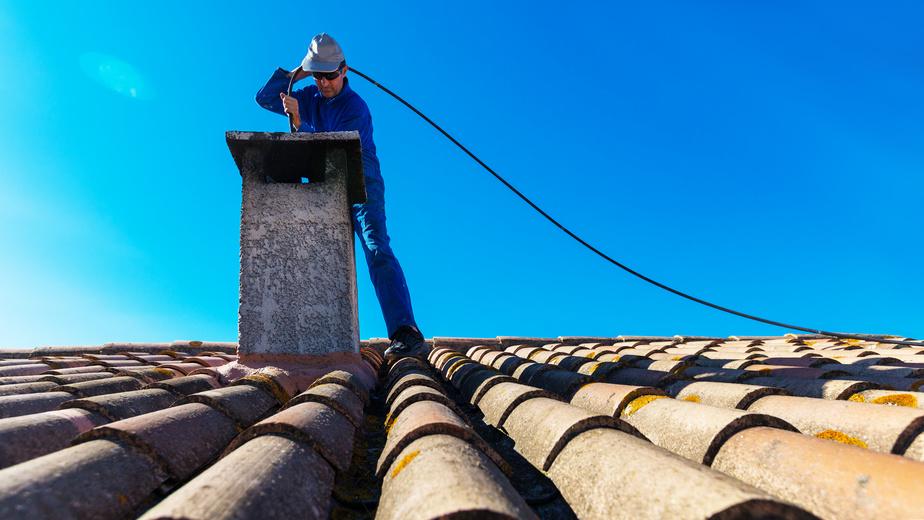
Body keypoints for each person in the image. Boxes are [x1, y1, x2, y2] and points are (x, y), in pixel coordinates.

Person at [255, 33, 427, 360]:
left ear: (344, 70)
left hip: (360, 180)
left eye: (330, 75)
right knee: (316, 251)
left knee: (376, 247)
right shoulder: (309, 94)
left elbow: (335, 145)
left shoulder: (355, 107)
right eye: (318, 75)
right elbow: (264, 98)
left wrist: (299, 121)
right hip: (326, 181)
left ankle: (406, 331)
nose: (324, 83)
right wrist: (298, 74)